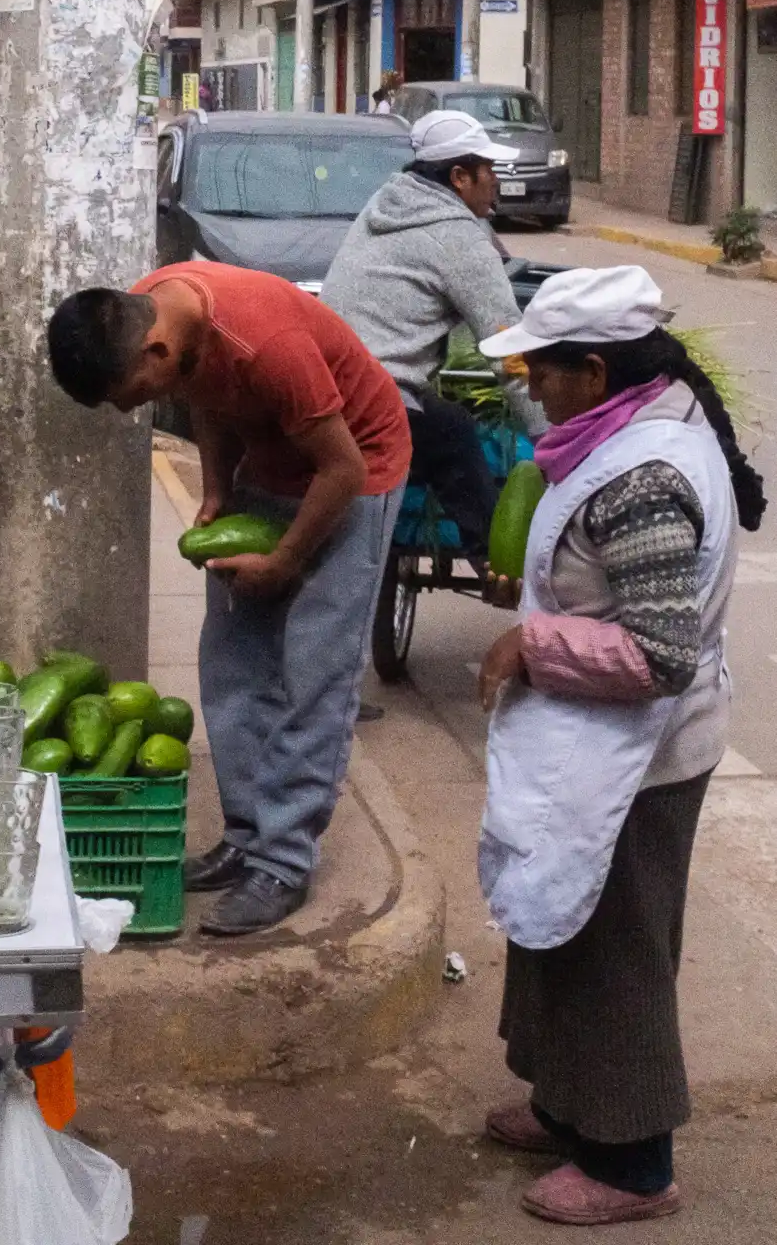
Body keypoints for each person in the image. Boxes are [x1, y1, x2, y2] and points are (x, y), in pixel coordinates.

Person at [474, 265, 764, 1225]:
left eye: (539, 371)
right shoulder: (630, 426)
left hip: (641, 758)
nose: (528, 387)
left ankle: (634, 1165)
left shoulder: (644, 478)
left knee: (618, 955)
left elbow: (661, 652)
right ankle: (570, 1107)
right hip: (591, 742)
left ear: (591, 373)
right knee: (561, 928)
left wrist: (531, 641)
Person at [46, 262, 410, 937]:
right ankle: (245, 835)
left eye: (128, 395)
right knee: (232, 661)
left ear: (154, 351)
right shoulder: (161, 314)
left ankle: (282, 859)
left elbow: (343, 467)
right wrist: (216, 489)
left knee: (314, 672)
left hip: (352, 471)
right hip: (270, 461)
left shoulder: (266, 343)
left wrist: (286, 560)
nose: (128, 410)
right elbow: (208, 397)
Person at [321, 108, 542, 586]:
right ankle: (497, 566)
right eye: (490, 172)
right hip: (374, 403)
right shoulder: (457, 236)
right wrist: (554, 439)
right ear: (460, 177)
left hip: (329, 388)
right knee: (455, 434)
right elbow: (510, 352)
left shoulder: (387, 203)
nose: (496, 184)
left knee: (438, 417)